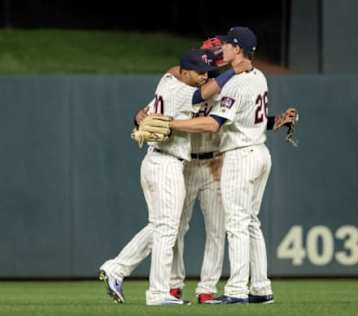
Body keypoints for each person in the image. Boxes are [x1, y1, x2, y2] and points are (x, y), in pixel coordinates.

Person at [98, 48, 251, 305]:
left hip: (159, 161)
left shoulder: (167, 81)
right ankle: (158, 293)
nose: (203, 76)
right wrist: (233, 71)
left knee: (163, 226)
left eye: (205, 72)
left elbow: (142, 114)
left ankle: (116, 268)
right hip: (165, 164)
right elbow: (200, 94)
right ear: (184, 71)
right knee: (167, 229)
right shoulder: (181, 91)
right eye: (198, 72)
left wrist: (139, 120)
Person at [165, 26, 277, 304]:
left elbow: (213, 124)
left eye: (226, 44)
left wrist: (172, 124)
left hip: (239, 155)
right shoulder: (259, 76)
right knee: (251, 223)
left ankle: (237, 291)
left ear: (237, 49)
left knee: (237, 224)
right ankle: (261, 288)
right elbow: (253, 119)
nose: (221, 49)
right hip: (259, 151)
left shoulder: (235, 83)